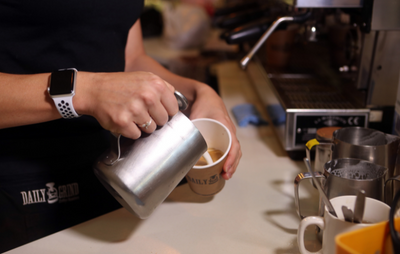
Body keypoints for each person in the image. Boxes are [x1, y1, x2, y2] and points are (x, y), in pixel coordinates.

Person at [0, 0, 241, 252]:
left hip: (121, 169)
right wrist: (85, 92)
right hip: (26, 182)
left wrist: (200, 93)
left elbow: (131, 58)